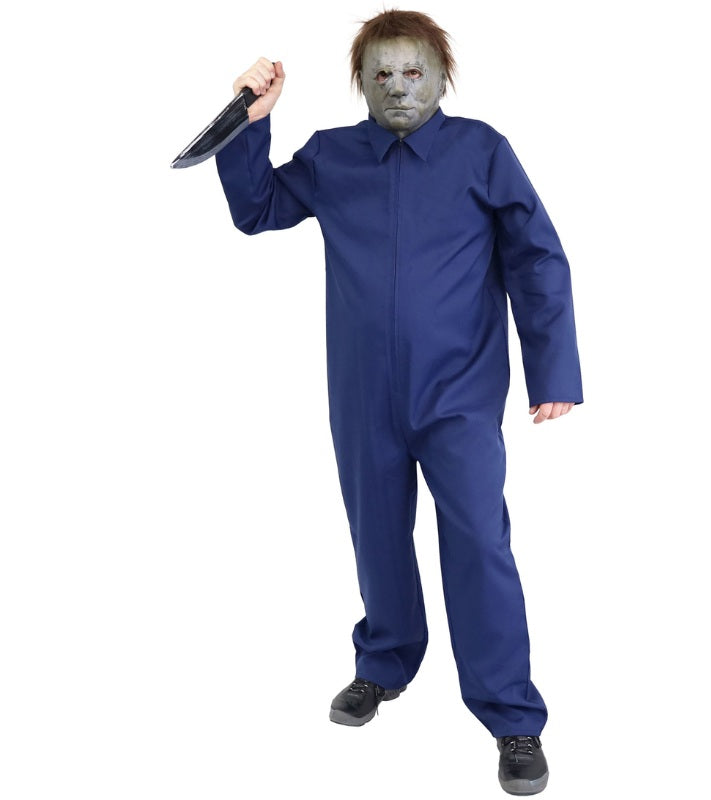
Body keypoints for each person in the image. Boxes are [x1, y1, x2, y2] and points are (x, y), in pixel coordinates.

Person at [214, 9, 583, 795]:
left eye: (414, 71)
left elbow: (536, 258)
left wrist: (552, 371)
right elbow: (257, 210)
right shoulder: (333, 156)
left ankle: (512, 715)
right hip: (361, 392)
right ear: (360, 82)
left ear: (443, 76)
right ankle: (383, 663)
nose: (398, 87)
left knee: (478, 540)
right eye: (381, 74)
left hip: (458, 392)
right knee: (376, 534)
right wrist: (250, 121)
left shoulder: (481, 152)